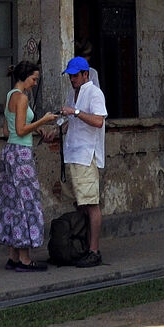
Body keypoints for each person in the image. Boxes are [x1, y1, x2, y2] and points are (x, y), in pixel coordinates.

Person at [0, 60, 58, 272]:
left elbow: (8, 131)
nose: (34, 83)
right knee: (26, 202)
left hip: (9, 153)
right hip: (21, 155)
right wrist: (42, 121)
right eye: (33, 79)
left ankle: (13, 255)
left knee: (12, 203)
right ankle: (24, 258)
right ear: (25, 77)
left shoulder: (9, 96)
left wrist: (35, 130)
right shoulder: (22, 98)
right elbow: (21, 130)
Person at [56, 55, 108, 267]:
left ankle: (94, 250)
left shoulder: (94, 93)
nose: (72, 79)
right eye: (70, 76)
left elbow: (98, 120)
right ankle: (83, 245)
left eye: (75, 76)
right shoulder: (72, 93)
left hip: (87, 155)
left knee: (91, 204)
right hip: (73, 153)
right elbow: (70, 123)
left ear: (85, 74)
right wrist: (56, 130)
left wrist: (76, 112)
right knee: (80, 203)